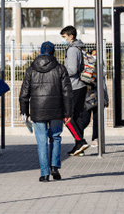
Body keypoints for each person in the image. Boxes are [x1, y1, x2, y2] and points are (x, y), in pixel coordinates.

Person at [20, 41, 73, 182]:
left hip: (38, 110)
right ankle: (54, 166)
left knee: (42, 141)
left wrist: (24, 112)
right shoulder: (61, 69)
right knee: (55, 137)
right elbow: (67, 93)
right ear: (54, 53)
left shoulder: (30, 70)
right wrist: (68, 113)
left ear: (39, 53)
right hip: (57, 109)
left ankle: (44, 173)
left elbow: (24, 94)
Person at [60, 25, 90, 156]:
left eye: (64, 37)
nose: (63, 39)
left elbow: (72, 70)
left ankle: (80, 141)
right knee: (77, 116)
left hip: (73, 86)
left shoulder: (72, 49)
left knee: (66, 116)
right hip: (81, 86)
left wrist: (61, 72)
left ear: (71, 36)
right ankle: (79, 147)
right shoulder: (79, 47)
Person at [81, 49, 109, 147]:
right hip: (88, 96)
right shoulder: (87, 67)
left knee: (97, 118)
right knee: (85, 119)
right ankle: (80, 139)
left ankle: (95, 138)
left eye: (97, 55)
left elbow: (104, 84)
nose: (95, 56)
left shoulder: (102, 67)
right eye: (93, 55)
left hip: (98, 95)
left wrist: (106, 98)